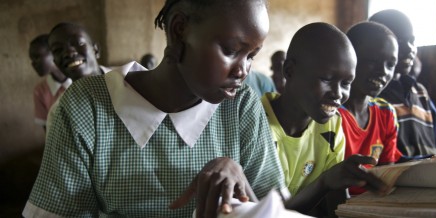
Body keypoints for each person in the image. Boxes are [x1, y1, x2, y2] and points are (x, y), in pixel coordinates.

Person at [23, 0, 285, 217]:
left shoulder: (240, 105)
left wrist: (239, 178)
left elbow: (275, 207)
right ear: (179, 29)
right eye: (230, 50)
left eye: (251, 55)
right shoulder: (86, 107)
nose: (243, 71)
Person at [261, 22, 389, 216]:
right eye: (327, 79)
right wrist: (325, 182)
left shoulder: (333, 125)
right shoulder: (256, 121)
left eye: (346, 83)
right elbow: (268, 213)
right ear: (289, 71)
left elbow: (335, 207)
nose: (338, 94)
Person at [370, 9, 436, 157]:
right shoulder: (373, 98)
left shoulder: (419, 92)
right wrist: (433, 163)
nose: (409, 48)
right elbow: (386, 162)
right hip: (403, 178)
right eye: (400, 42)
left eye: (412, 41)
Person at [339, 22, 403, 195]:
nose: (383, 72)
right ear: (349, 57)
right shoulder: (330, 115)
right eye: (372, 61)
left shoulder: (386, 114)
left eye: (390, 64)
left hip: (373, 204)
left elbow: (386, 175)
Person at [44, 22, 114, 130]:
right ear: (56, 62)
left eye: (78, 43)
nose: (69, 53)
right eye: (58, 50)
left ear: (96, 50)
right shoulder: (59, 112)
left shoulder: (128, 82)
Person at [29, 34, 71, 128]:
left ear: (53, 53)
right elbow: (47, 129)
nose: (33, 63)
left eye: (37, 57)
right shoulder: (40, 91)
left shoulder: (80, 80)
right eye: (32, 59)